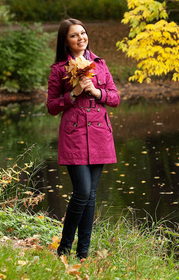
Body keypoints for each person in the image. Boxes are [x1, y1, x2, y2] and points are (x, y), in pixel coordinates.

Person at [47, 18, 120, 259]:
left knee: (91, 195)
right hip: (74, 134)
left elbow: (115, 98)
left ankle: (83, 253)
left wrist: (97, 92)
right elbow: (51, 107)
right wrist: (74, 93)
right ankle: (64, 248)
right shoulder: (59, 69)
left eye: (83, 33)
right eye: (74, 35)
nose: (81, 38)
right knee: (83, 192)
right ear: (65, 42)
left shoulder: (100, 63)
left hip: (99, 133)